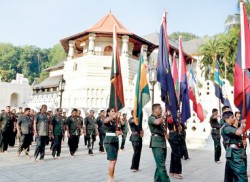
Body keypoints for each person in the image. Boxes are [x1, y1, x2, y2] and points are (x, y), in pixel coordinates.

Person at [221, 111, 247, 181]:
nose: (234, 119)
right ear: (226, 119)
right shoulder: (226, 127)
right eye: (232, 117)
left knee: (231, 177)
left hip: (236, 154)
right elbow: (238, 132)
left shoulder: (230, 127)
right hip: (234, 155)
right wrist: (243, 124)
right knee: (242, 177)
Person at [148, 104, 170, 182]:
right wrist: (163, 116)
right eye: (160, 108)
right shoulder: (151, 118)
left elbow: (162, 128)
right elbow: (156, 122)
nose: (161, 110)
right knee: (162, 167)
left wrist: (166, 134)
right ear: (155, 110)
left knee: (160, 165)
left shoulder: (159, 119)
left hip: (162, 143)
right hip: (157, 143)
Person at [104, 108, 122, 182]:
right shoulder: (108, 120)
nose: (114, 112)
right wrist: (114, 116)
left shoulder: (116, 121)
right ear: (108, 113)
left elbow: (120, 130)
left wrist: (119, 132)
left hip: (115, 141)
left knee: (114, 161)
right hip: (109, 142)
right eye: (112, 111)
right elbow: (106, 121)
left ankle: (112, 176)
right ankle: (110, 179)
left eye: (115, 111)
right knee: (112, 161)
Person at [168, 112, 183, 179]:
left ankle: (172, 171)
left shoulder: (176, 118)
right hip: (173, 136)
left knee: (174, 154)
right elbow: (170, 120)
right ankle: (176, 172)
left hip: (176, 136)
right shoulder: (170, 117)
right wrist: (176, 116)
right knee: (177, 154)